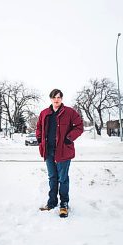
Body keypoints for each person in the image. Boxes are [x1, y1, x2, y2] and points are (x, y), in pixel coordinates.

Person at [36, 89, 84, 218]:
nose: (56, 100)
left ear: (62, 98)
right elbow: (39, 127)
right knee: (52, 178)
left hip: (63, 151)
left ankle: (64, 204)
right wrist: (40, 140)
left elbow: (79, 126)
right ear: (50, 99)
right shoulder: (44, 113)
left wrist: (69, 137)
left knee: (63, 179)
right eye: (54, 97)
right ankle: (52, 203)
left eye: (58, 97)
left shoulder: (69, 112)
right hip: (49, 151)